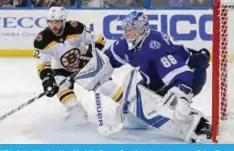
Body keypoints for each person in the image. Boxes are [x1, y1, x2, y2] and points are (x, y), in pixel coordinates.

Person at [74, 10, 211, 143]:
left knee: (164, 105)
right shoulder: (125, 45)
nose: (128, 33)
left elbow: (177, 72)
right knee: (133, 111)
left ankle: (199, 125)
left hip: (191, 74)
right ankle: (166, 107)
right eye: (126, 30)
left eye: (131, 29)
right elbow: (109, 59)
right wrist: (93, 67)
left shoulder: (155, 44)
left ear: (142, 28)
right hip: (161, 78)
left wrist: (182, 94)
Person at [33, 6, 123, 125]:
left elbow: (99, 40)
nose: (54, 26)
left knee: (107, 86)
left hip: (85, 63)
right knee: (60, 86)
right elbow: (42, 64)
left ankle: (128, 102)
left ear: (63, 21)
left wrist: (90, 55)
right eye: (51, 22)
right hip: (61, 69)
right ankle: (76, 111)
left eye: (57, 22)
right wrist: (47, 81)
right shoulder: (42, 40)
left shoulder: (76, 28)